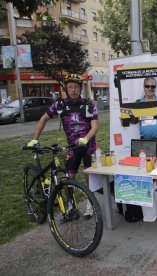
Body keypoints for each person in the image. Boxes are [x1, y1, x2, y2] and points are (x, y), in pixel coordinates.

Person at [27, 73, 98, 219]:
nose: (73, 90)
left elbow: (95, 127)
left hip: (88, 145)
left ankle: (91, 205)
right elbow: (43, 118)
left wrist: (86, 138)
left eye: (76, 87)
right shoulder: (60, 105)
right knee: (68, 177)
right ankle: (71, 204)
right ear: (66, 89)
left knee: (88, 175)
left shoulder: (89, 105)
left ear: (80, 89)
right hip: (72, 146)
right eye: (70, 87)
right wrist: (34, 139)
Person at [136, 77, 157, 158]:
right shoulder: (137, 103)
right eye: (147, 86)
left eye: (153, 86)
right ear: (144, 87)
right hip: (146, 141)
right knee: (147, 167)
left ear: (155, 87)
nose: (150, 88)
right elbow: (133, 121)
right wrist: (125, 119)